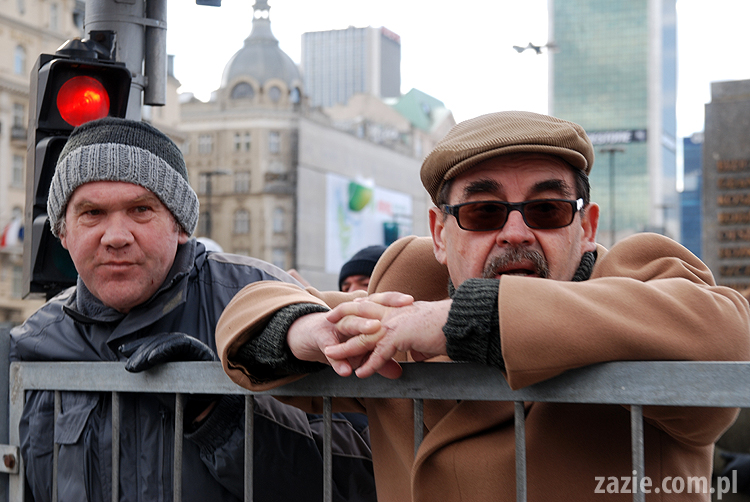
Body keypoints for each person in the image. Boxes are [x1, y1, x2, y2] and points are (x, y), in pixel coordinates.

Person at [214, 111, 750, 501]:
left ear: (586, 227)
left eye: (547, 209)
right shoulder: (409, 291)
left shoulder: (638, 275)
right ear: (438, 234)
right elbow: (252, 306)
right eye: (483, 212)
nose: (515, 232)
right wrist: (305, 330)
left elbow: (728, 334)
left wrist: (465, 320)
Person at [9, 117, 376, 502]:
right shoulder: (35, 342)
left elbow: (361, 478)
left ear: (181, 224)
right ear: (63, 232)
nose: (116, 236)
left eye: (140, 209)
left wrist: (219, 416)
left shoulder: (263, 299)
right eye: (91, 213)